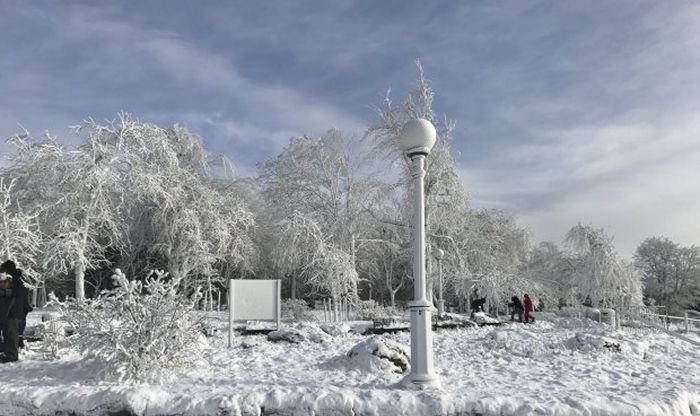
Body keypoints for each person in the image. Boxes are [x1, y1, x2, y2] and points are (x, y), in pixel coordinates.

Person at [0, 260, 29, 362]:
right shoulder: (15, 280)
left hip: (13, 314)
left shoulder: (14, 281)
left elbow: (17, 293)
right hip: (14, 313)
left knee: (11, 335)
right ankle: (8, 354)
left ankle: (11, 356)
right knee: (9, 335)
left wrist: (5, 293)